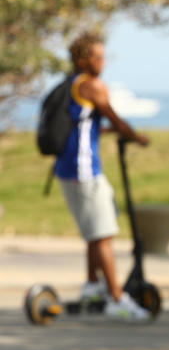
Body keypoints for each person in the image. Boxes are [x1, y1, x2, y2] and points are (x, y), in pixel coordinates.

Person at [55, 32, 151, 321]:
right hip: (84, 172)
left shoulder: (72, 85)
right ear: (83, 60)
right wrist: (135, 137)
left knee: (93, 232)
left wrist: (112, 132)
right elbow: (114, 117)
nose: (103, 62)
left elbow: (87, 125)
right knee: (103, 233)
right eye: (98, 56)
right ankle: (116, 299)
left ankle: (92, 287)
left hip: (68, 170)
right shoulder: (92, 85)